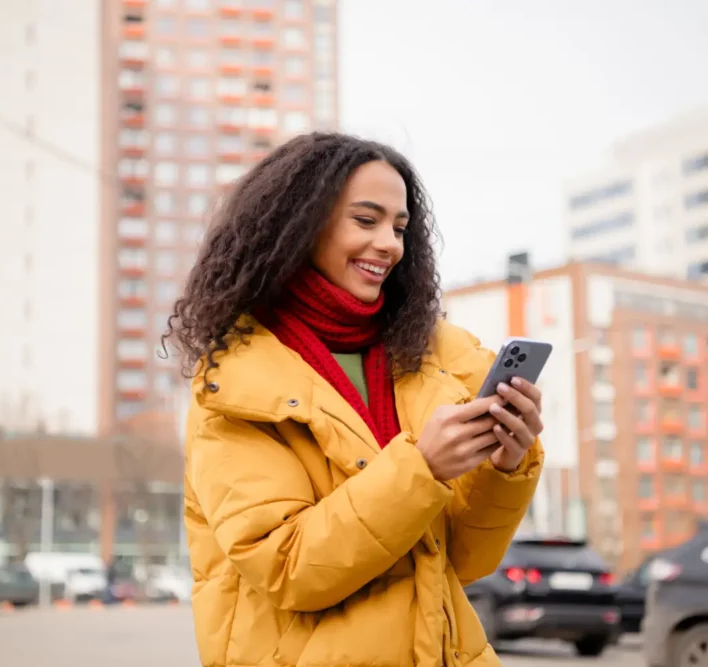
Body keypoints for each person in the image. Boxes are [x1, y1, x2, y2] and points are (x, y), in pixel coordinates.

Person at [165, 132, 544, 667]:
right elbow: (288, 567)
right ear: (298, 225)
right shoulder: (236, 383)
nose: (389, 244)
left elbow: (462, 559)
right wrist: (423, 467)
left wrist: (505, 464)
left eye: (399, 227)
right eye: (365, 221)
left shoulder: (435, 357)